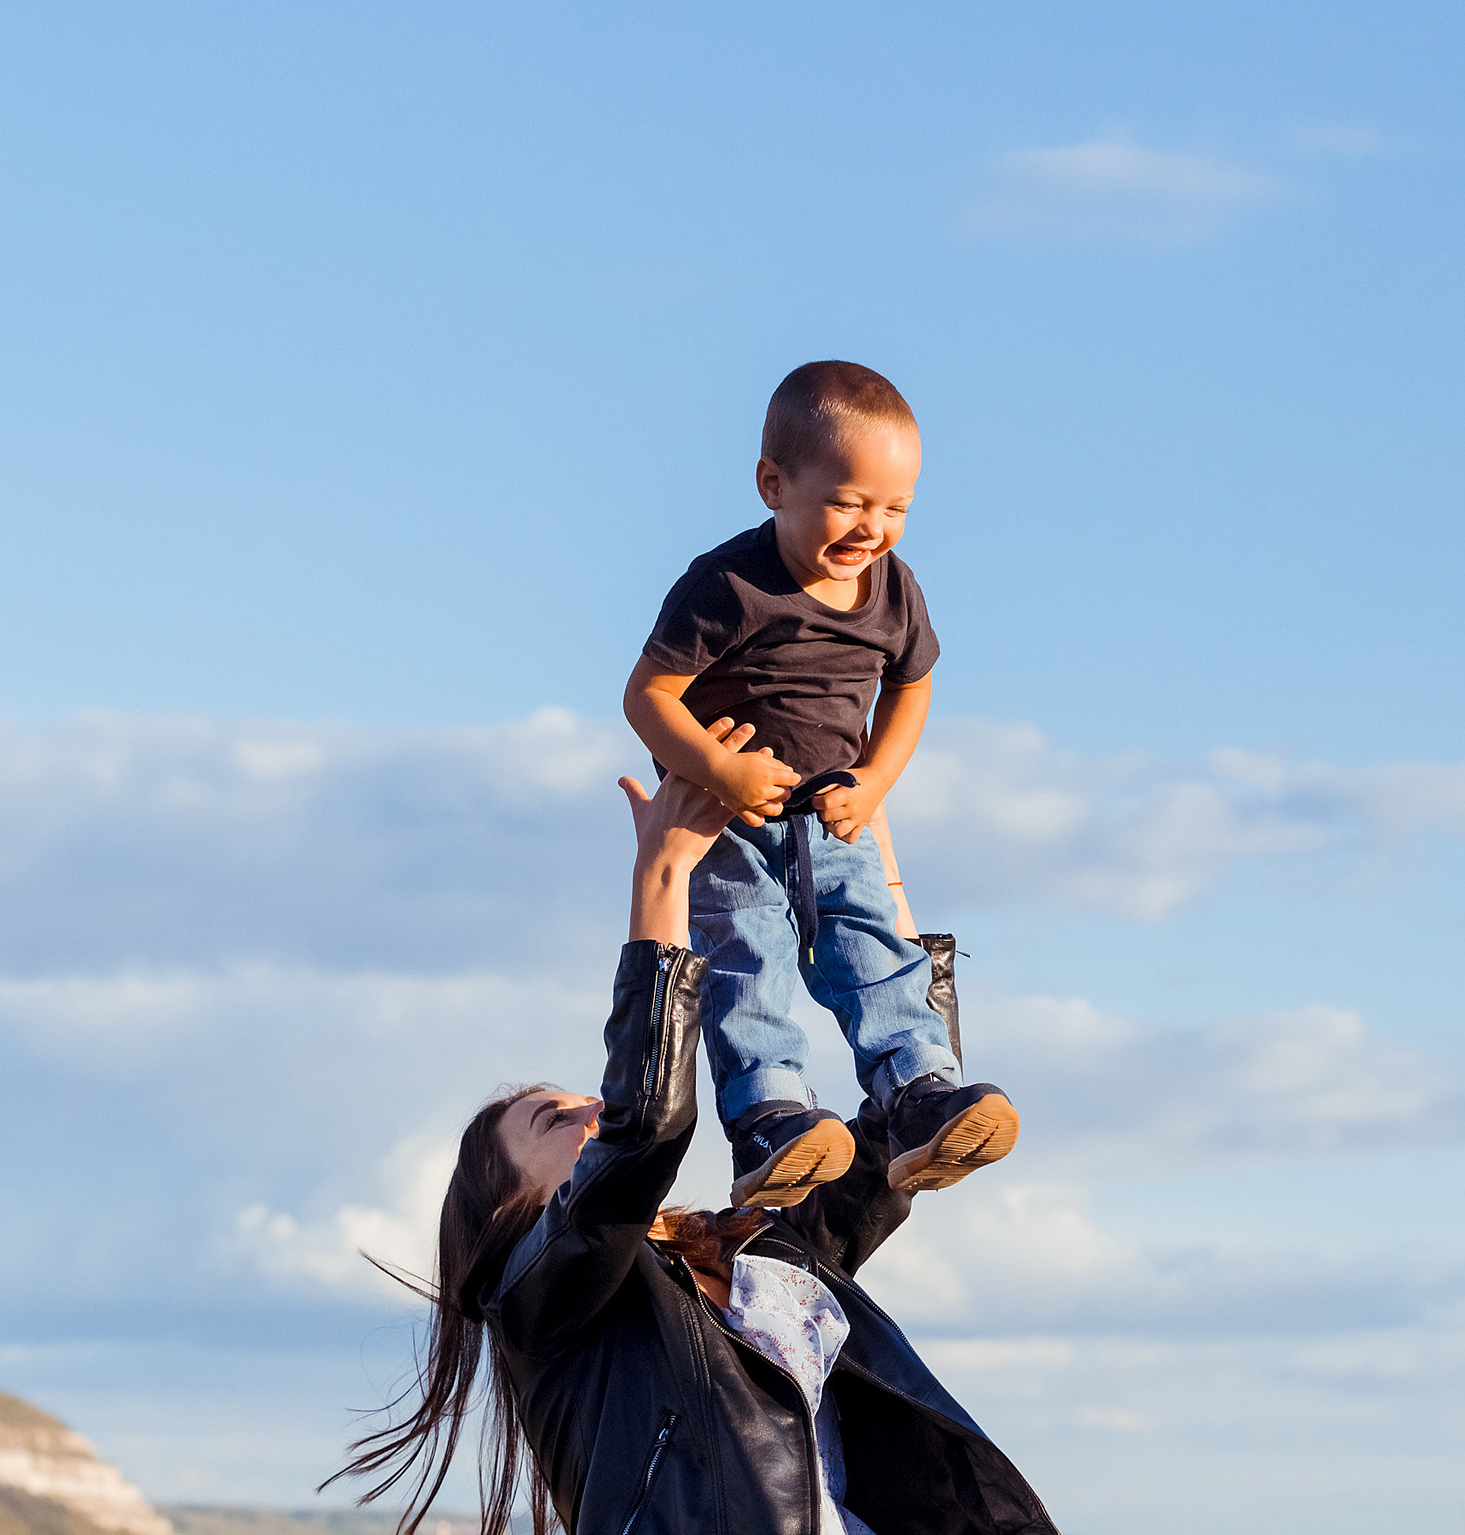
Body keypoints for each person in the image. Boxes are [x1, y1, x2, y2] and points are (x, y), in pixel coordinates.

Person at [332, 731, 1059, 1535]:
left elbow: (902, 1150)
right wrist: (666, 871)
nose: (591, 1112)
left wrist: (874, 870)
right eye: (553, 1117)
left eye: (582, 1100)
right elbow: (644, 1124)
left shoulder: (761, 1254)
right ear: (506, 1203)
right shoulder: (535, 1303)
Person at [624, 359, 1019, 1208]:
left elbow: (912, 685)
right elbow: (646, 695)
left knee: (873, 945)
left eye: (896, 508)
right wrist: (717, 766)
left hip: (834, 814)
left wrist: (876, 778)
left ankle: (918, 1092)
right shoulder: (725, 585)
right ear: (774, 484)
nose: (873, 527)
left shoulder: (893, 590)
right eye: (849, 501)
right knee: (748, 958)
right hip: (727, 817)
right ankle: (773, 1117)